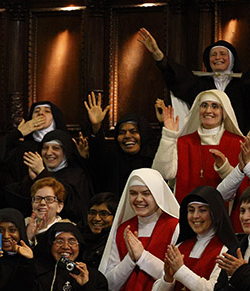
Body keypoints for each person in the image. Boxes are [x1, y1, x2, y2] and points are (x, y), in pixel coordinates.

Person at [152, 89, 248, 230]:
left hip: (223, 221)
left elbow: (244, 189)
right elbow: (163, 174)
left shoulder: (238, 143)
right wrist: (169, 136)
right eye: (204, 105)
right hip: (187, 219)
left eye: (215, 106)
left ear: (224, 112)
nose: (208, 110)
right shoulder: (184, 142)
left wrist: (224, 168)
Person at [138, 28, 250, 134]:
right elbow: (177, 77)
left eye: (222, 54)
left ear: (232, 59)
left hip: (238, 140)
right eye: (213, 55)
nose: (217, 58)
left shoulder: (243, 83)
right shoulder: (200, 84)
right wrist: (157, 53)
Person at [0, 101, 67, 212]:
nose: (41, 114)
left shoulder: (67, 147)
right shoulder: (20, 147)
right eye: (36, 111)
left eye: (47, 111)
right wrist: (19, 133)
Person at [4, 130, 92, 224]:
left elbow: (72, 206)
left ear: (66, 151)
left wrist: (42, 173)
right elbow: (20, 204)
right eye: (45, 148)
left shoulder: (77, 175)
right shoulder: (38, 173)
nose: (49, 153)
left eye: (56, 148)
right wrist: (31, 180)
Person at [82, 92, 159, 195]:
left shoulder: (153, 157)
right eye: (122, 133)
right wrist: (96, 125)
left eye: (133, 131)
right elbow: (99, 151)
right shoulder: (113, 157)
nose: (127, 136)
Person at [23, 177, 71, 246]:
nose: (42, 203)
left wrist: (42, 234)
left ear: (59, 206)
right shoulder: (22, 225)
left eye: (49, 199)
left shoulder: (68, 229)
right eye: (38, 198)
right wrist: (29, 240)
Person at [80, 192, 118, 269]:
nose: (97, 218)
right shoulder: (78, 236)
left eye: (104, 214)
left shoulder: (116, 242)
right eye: (92, 213)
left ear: (115, 216)